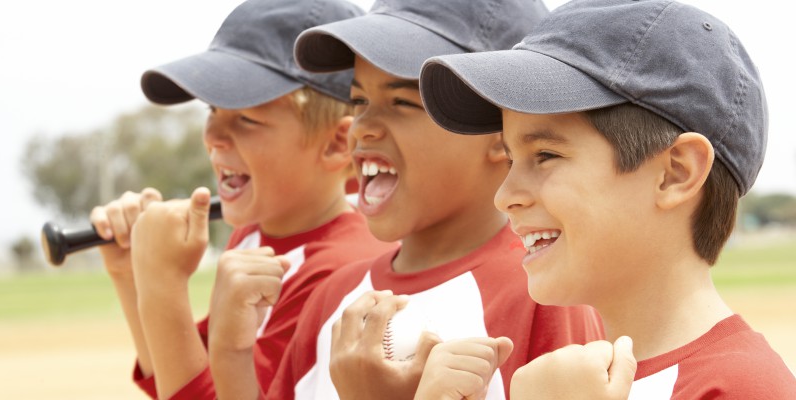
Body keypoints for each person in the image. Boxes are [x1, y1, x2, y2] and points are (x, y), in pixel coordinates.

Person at [205, 0, 605, 399]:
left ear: (502, 133)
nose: (363, 128)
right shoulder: (335, 295)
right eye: (359, 100)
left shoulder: (544, 296)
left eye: (403, 102)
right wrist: (231, 354)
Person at [415, 0, 796, 398]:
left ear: (675, 173)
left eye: (545, 155)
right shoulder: (572, 382)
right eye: (511, 159)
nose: (504, 195)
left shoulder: (744, 387)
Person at [88, 0, 397, 399]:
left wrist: (161, 283)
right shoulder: (256, 233)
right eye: (212, 110)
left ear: (338, 142)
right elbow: (182, 374)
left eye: (247, 119)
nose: (213, 136)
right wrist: (132, 276)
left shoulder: (341, 270)